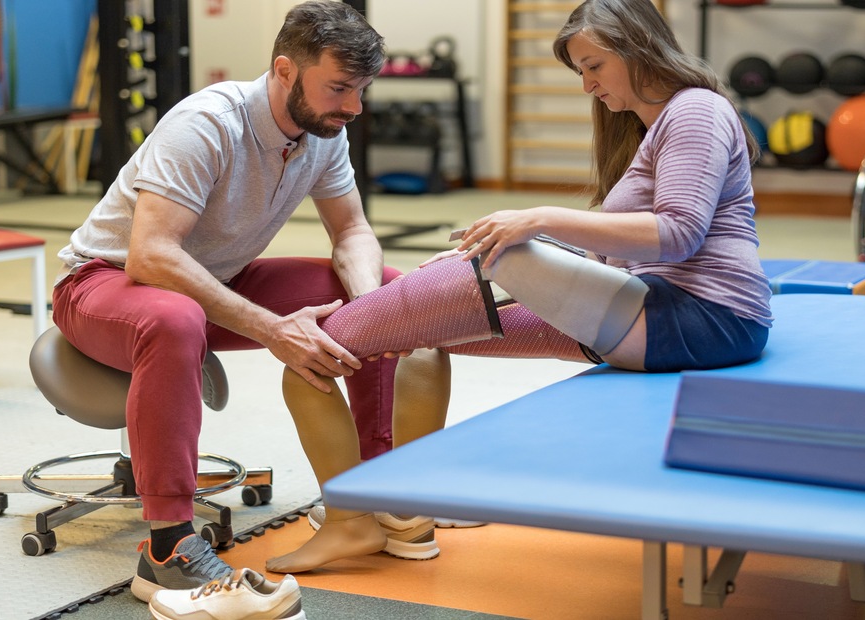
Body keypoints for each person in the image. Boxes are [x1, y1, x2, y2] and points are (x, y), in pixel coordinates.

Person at [267, 0, 772, 574]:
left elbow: (678, 235)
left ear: (636, 47)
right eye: (579, 71)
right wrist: (470, 263)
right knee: (428, 333)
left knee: (315, 349)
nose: (587, 86)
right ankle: (409, 515)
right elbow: (608, 249)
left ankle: (349, 524)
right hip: (653, 313)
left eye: (593, 67)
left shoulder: (696, 111)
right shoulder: (657, 125)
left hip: (699, 319)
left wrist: (535, 221)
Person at [49, 1, 439, 605]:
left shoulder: (322, 132)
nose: (353, 108)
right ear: (285, 70)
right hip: (105, 282)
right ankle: (167, 549)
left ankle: (369, 501)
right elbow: (151, 255)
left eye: (361, 90)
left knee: (382, 288)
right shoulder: (208, 124)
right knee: (175, 314)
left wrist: (370, 309)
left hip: (215, 275)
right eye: (339, 88)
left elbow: (354, 234)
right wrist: (273, 328)